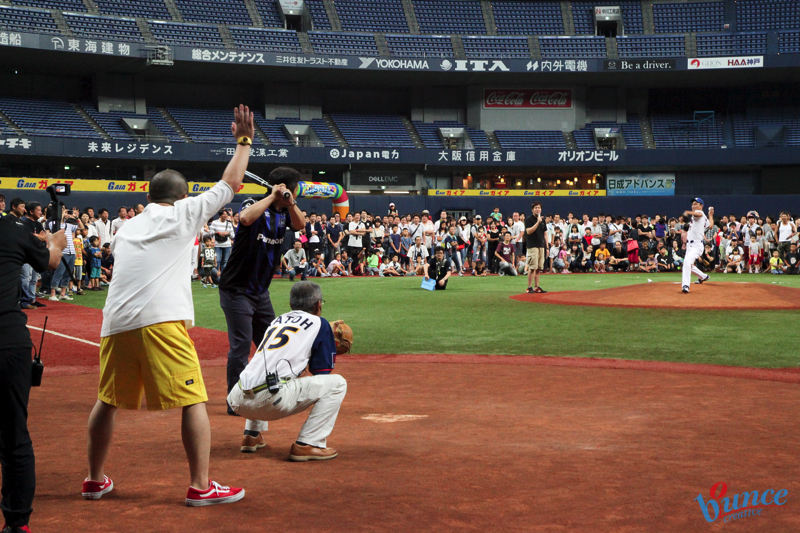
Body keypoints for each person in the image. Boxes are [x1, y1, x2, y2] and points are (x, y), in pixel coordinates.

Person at [84, 105, 255, 507]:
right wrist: (244, 141)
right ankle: (200, 485)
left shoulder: (127, 227)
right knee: (193, 398)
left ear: (148, 196)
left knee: (107, 401)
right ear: (182, 195)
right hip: (160, 321)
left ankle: (94, 479)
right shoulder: (184, 212)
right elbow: (231, 182)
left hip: (115, 323)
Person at [219, 166, 305, 415]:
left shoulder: (285, 211)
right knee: (241, 345)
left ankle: (270, 390)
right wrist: (272, 195)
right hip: (237, 289)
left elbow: (299, 225)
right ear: (286, 187)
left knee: (270, 343)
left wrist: (289, 203)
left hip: (260, 291)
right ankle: (234, 401)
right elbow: (245, 218)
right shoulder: (254, 203)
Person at [227, 282, 346, 461]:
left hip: (236, 398)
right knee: (338, 384)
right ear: (318, 304)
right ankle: (309, 443)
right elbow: (321, 372)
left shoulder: (277, 321)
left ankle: (251, 435)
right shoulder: (320, 324)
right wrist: (327, 341)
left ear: (292, 304)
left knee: (266, 371)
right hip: (269, 400)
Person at [0, 212, 65, 533]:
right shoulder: (12, 230)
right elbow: (51, 262)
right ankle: (17, 523)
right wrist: (56, 241)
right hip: (8, 342)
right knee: (14, 438)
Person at [47, 206, 84, 302]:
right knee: (58, 273)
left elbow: (82, 227)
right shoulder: (53, 223)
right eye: (62, 211)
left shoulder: (69, 225)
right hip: (63, 252)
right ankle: (52, 294)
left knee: (68, 274)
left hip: (72, 252)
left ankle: (63, 293)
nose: (65, 213)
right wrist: (62, 215)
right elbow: (55, 228)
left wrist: (76, 217)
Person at [681, 199, 713, 293]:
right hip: (690, 245)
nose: (693, 205)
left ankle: (685, 285)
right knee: (688, 264)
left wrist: (687, 212)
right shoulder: (703, 216)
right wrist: (710, 215)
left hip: (696, 245)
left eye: (696, 204)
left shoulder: (699, 213)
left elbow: (699, 214)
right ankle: (703, 276)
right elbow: (710, 226)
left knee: (687, 262)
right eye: (692, 204)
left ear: (701, 206)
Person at [19, 202, 47, 310]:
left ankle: (32, 299)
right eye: (38, 210)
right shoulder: (24, 222)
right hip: (26, 254)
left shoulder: (38, 223)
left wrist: (37, 236)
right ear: (31, 211)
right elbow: (28, 237)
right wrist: (38, 236)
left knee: (34, 278)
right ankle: (24, 301)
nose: (41, 212)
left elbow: (43, 237)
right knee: (25, 278)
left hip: (36, 254)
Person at [525, 202, 548, 294]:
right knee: (532, 267)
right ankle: (529, 287)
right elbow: (528, 231)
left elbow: (545, 234)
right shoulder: (529, 219)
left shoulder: (542, 220)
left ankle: (536, 287)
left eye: (539, 208)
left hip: (541, 245)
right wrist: (537, 222)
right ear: (532, 209)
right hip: (532, 245)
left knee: (539, 267)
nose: (537, 209)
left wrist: (547, 247)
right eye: (536, 208)